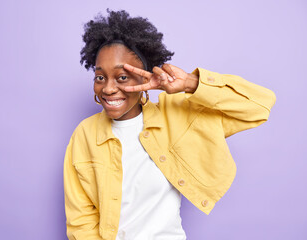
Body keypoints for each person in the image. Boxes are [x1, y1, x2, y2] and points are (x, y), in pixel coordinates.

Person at [63, 9, 276, 240]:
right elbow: (80, 220)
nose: (108, 88)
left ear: (143, 78)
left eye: (122, 77)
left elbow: (260, 106)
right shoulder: (85, 134)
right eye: (100, 77)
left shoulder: (177, 115)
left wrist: (190, 83)